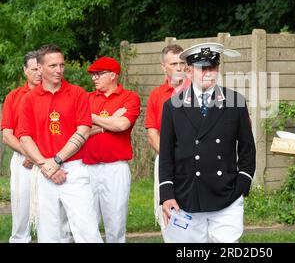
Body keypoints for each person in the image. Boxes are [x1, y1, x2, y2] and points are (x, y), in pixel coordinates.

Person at [159, 42, 256, 243]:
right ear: (189, 70)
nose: (208, 73)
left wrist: (242, 183)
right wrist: (167, 193)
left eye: (212, 68)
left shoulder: (235, 101)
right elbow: (166, 154)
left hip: (226, 195)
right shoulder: (172, 106)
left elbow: (247, 148)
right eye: (203, 68)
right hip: (187, 195)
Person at [16, 44, 103, 243]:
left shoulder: (77, 93)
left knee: (88, 232)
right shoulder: (28, 99)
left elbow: (83, 130)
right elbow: (24, 137)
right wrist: (46, 165)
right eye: (53, 65)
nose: (59, 70)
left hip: (74, 170)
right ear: (40, 68)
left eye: (62, 65)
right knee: (48, 234)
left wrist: (57, 160)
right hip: (44, 171)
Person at [83, 56, 140, 243]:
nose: (94, 78)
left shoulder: (129, 97)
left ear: (113, 75)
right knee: (86, 224)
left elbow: (122, 125)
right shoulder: (87, 98)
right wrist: (107, 123)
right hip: (87, 167)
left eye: (98, 74)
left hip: (116, 168)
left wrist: (93, 118)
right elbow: (81, 130)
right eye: (93, 75)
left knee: (115, 224)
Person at [144, 44, 189, 238]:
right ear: (164, 67)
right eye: (174, 63)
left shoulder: (197, 91)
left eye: (182, 63)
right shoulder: (156, 95)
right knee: (169, 211)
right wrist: (170, 159)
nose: (179, 67)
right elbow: (152, 133)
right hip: (166, 161)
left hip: (193, 161)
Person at [1, 51, 41, 243]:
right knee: (21, 211)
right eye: (34, 69)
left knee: (55, 213)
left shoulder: (53, 94)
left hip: (51, 159)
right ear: (25, 70)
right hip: (23, 160)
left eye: (40, 68)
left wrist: (38, 156)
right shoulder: (14, 96)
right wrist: (30, 154)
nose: (38, 73)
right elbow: (7, 136)